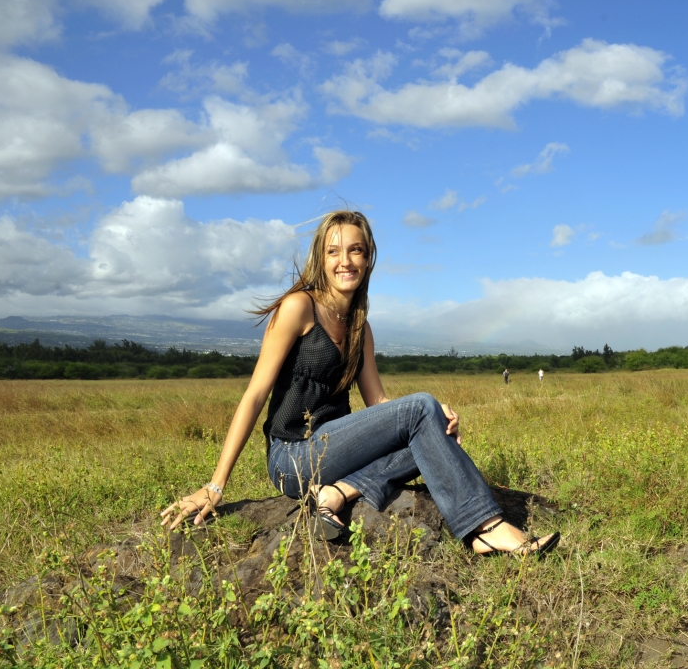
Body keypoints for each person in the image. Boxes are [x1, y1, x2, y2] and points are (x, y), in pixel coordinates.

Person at [161, 210, 559, 558]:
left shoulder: (360, 328)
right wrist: (215, 485)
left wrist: (436, 418)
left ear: (368, 259)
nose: (345, 260)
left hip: (336, 452)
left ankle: (338, 493)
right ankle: (486, 529)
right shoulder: (299, 307)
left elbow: (379, 402)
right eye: (333, 251)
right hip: (293, 457)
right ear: (321, 258)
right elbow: (254, 396)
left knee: (433, 426)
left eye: (355, 250)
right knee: (423, 409)